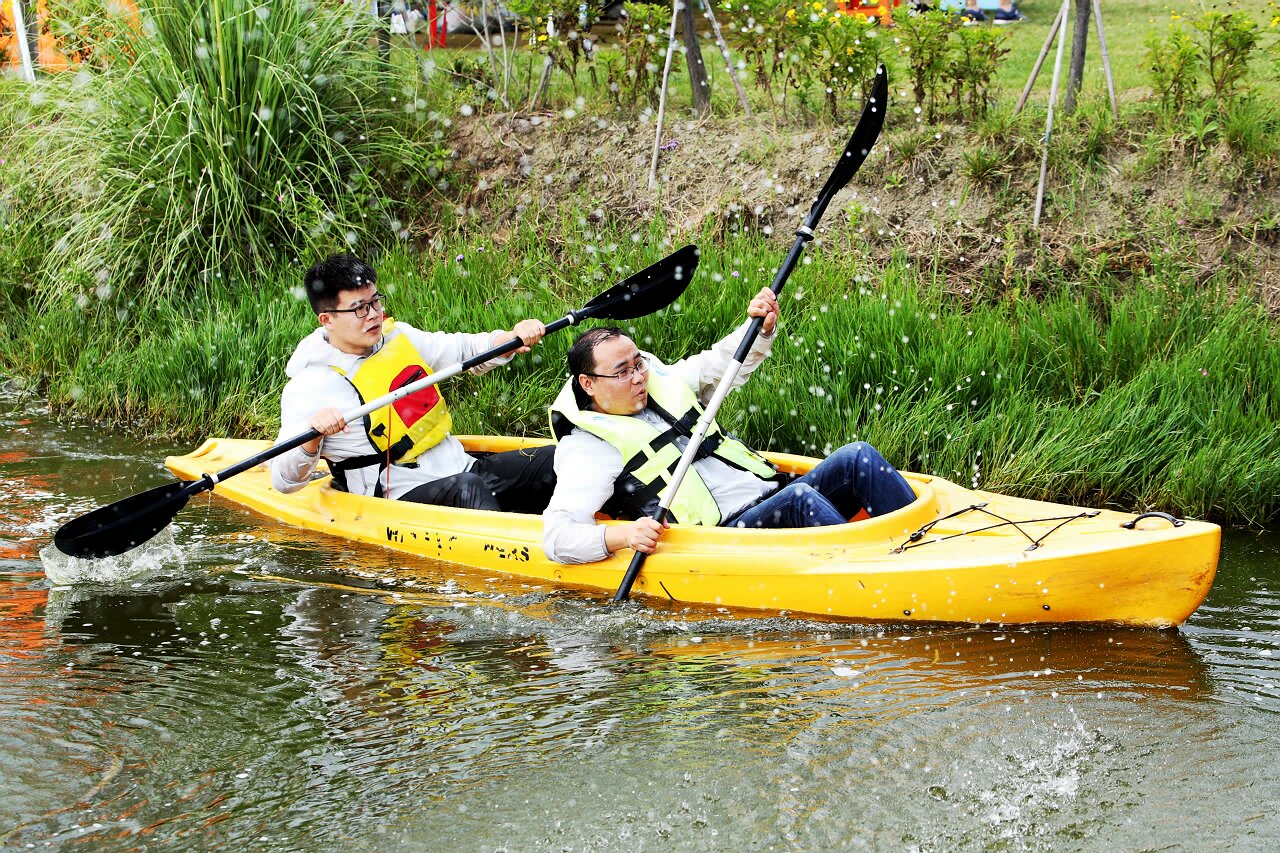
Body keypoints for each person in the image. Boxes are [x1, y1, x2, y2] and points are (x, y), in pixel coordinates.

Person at [541, 288, 918, 564]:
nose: (639, 377)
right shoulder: (588, 447)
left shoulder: (662, 382)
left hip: (772, 496)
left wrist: (758, 327)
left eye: (638, 363)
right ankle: (871, 574)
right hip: (724, 540)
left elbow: (723, 363)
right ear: (588, 383)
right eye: (622, 372)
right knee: (800, 500)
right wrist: (623, 534)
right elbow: (557, 538)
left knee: (857, 457)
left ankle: (923, 544)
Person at [271, 254, 556, 513]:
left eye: (375, 301)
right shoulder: (310, 386)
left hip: (462, 468)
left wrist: (510, 339)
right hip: (395, 499)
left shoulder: (398, 337)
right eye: (359, 309)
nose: (373, 314)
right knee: (468, 489)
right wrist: (313, 436)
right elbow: (285, 481)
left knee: (559, 459)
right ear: (327, 319)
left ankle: (569, 530)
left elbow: (464, 351)